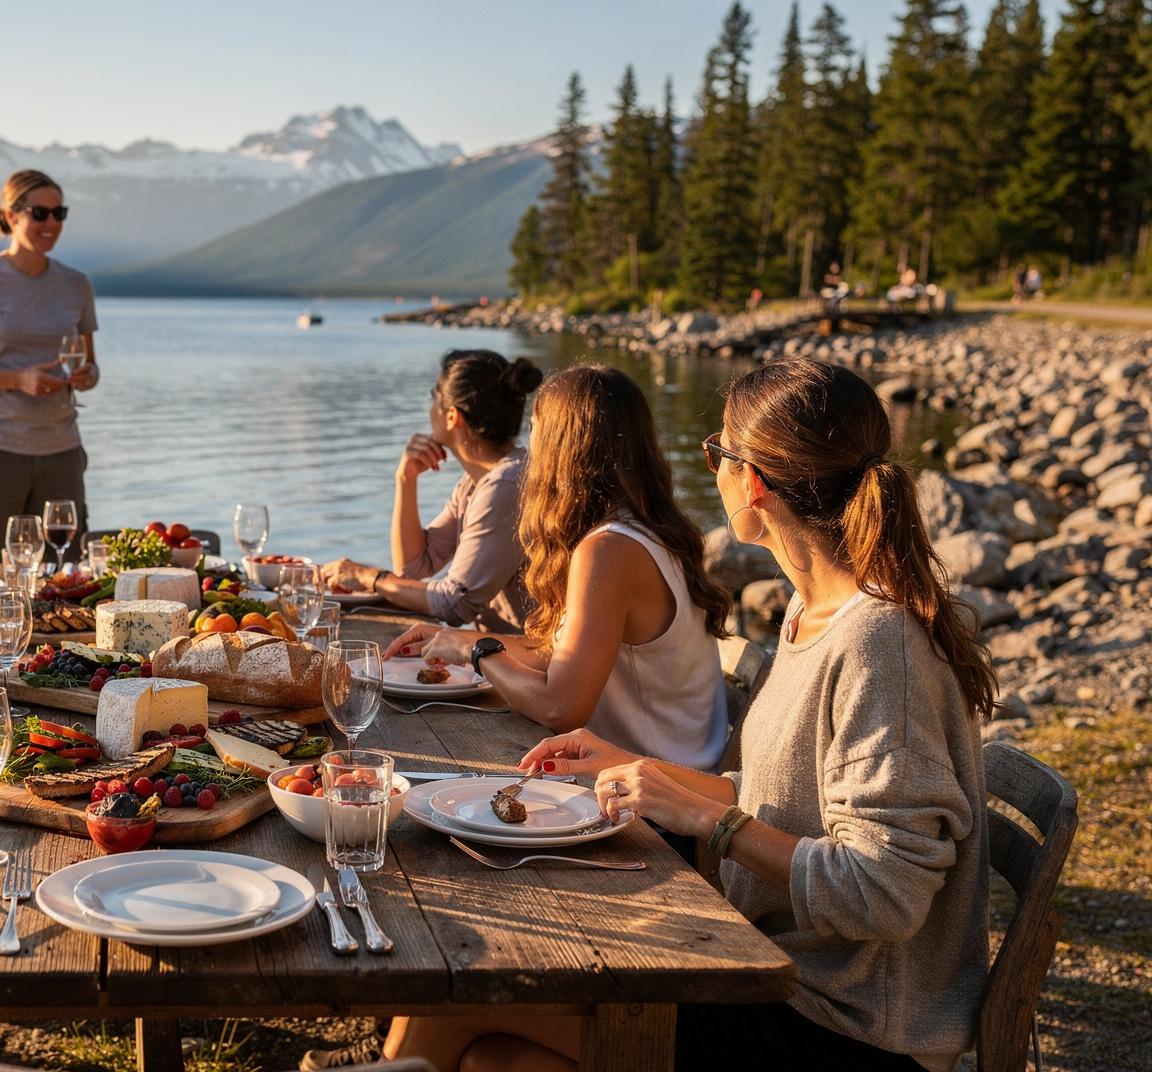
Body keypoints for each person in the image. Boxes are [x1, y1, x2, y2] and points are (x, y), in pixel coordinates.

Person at [386, 359, 994, 1072]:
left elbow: (884, 895)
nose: (713, 470)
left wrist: (713, 821)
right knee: (495, 1057)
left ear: (755, 482)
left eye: (717, 453)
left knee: (460, 1001)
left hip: (847, 1026)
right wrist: (648, 774)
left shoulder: (877, 642)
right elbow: (791, 801)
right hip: (777, 972)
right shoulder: (812, 611)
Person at [382, 365, 733, 773]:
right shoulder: (646, 530)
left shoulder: (610, 549)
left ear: (559, 444)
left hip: (658, 808)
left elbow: (561, 705)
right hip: (665, 781)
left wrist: (477, 652)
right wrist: (461, 639)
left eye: (533, 429)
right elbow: (564, 656)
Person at [0, 169, 99, 563]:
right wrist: (18, 380)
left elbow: (90, 367)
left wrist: (86, 376)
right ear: (11, 216)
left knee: (66, 573)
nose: (52, 223)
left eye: (59, 213)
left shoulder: (76, 284)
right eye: (39, 213)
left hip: (62, 452)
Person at [319, 350, 544, 632]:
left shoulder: (507, 484)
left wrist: (370, 577)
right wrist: (405, 480)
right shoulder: (478, 481)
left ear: (452, 416)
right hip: (496, 660)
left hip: (527, 668)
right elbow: (414, 567)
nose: (429, 408)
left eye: (434, 396)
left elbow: (455, 604)